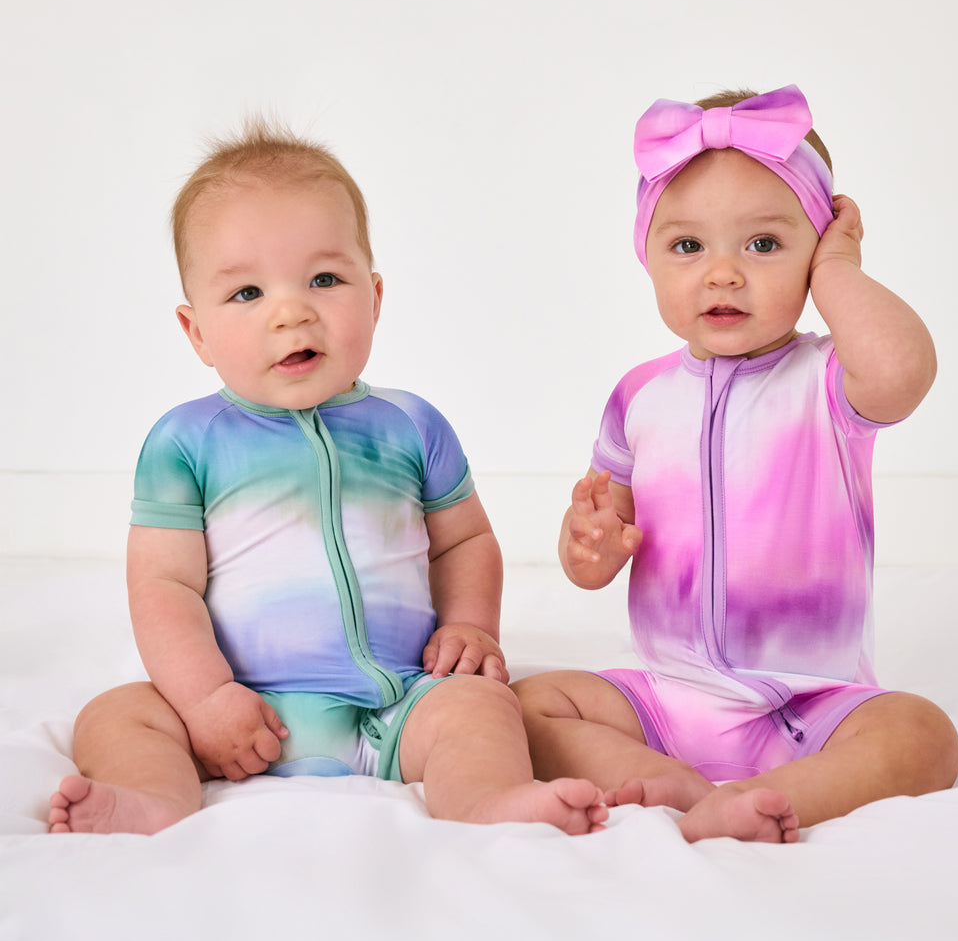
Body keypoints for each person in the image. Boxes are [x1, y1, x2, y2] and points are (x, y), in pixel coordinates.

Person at [49, 120, 607, 836]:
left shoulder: (412, 425)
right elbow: (164, 587)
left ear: (374, 296)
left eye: (324, 279)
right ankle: (153, 801)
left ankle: (485, 802)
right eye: (247, 293)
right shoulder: (186, 442)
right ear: (197, 334)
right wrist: (207, 700)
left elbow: (464, 542)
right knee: (117, 716)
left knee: (484, 708)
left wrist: (470, 626)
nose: (292, 311)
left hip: (395, 706)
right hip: (245, 707)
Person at [512, 85, 958, 843]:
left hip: (808, 703)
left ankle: (782, 791)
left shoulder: (830, 382)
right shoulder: (640, 398)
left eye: (764, 245)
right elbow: (598, 554)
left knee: (923, 735)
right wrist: (584, 545)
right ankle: (684, 786)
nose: (723, 273)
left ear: (815, 253)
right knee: (524, 704)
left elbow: (904, 371)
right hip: (667, 698)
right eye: (688, 246)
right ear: (647, 256)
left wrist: (842, 267)